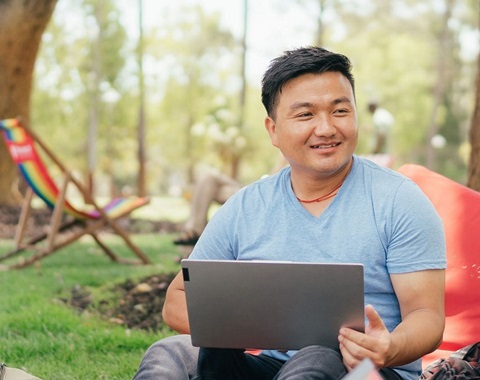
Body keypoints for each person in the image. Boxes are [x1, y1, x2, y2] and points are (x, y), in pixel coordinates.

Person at [134, 46, 446, 380]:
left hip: (367, 371)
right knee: (170, 352)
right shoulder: (246, 207)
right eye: (306, 115)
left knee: (317, 358)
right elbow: (177, 301)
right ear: (273, 130)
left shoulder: (399, 200)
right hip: (271, 367)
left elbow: (426, 315)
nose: (326, 128)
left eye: (340, 111)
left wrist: (390, 347)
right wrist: (250, 328)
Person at [173, 168, 242, 246]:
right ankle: (195, 228)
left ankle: (194, 228)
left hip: (251, 192)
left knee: (210, 181)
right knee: (208, 180)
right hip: (244, 189)